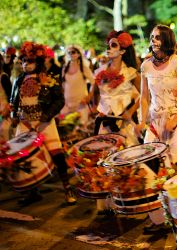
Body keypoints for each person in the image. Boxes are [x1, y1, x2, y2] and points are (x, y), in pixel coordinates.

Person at [137, 24, 177, 233]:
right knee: (148, 170)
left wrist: (175, 117)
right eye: (152, 37)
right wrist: (141, 121)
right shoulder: (145, 66)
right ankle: (159, 219)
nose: (153, 40)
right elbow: (144, 98)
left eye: (158, 37)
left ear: (167, 40)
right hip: (155, 124)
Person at [10, 41, 76, 205]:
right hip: (24, 124)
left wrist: (44, 118)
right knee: (24, 158)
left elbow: (59, 101)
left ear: (38, 62)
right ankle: (32, 192)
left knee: (58, 156)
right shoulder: (18, 80)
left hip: (45, 123)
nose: (26, 64)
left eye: (30, 61)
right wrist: (14, 115)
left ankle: (67, 190)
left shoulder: (49, 79)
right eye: (23, 61)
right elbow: (14, 100)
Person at [88, 30, 140, 146]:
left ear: (122, 51)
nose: (109, 48)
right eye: (109, 45)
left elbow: (144, 96)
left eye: (114, 45)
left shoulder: (131, 73)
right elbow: (95, 92)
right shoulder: (100, 71)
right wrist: (97, 108)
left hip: (125, 125)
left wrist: (130, 112)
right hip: (104, 125)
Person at [61, 45, 94, 128]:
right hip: (67, 104)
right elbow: (63, 85)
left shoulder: (83, 68)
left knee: (81, 128)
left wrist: (89, 96)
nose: (71, 54)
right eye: (69, 52)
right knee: (68, 129)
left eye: (73, 52)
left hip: (80, 103)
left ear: (78, 54)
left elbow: (94, 82)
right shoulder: (65, 68)